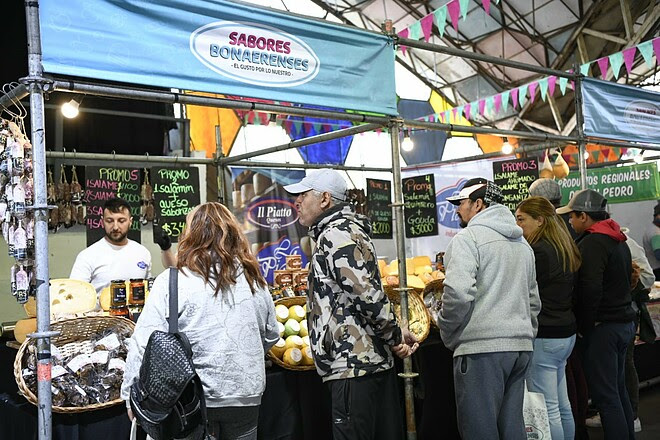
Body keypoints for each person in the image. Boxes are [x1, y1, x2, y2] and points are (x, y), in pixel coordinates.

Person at [121, 202, 279, 440]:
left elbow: (144, 342)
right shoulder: (255, 279)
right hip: (245, 397)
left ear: (190, 235)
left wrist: (129, 394)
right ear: (235, 234)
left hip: (189, 400)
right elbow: (270, 335)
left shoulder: (173, 280)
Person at [284, 169, 418, 440]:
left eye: (302, 195)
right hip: (361, 364)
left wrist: (393, 335)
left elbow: (366, 295)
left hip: (353, 367)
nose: (297, 201)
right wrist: (394, 330)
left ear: (324, 199)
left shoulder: (336, 235)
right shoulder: (340, 231)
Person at [440, 178, 540, 440]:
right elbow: (533, 302)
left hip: (481, 351)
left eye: (461, 203)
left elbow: (458, 293)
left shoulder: (467, 239)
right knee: (513, 428)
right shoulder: (523, 245)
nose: (457, 210)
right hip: (520, 349)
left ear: (478, 204)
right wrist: (525, 335)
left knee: (479, 431)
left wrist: (448, 333)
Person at [557, 189, 636, 440]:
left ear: (584, 216)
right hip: (624, 323)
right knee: (618, 391)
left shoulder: (593, 243)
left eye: (572, 217)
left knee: (606, 397)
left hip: (604, 328)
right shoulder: (617, 238)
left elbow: (590, 289)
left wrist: (584, 325)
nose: (570, 222)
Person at [516, 196, 581, 440]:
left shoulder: (538, 251)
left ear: (540, 220)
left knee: (547, 407)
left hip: (546, 334)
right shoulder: (563, 246)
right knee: (561, 404)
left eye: (522, 219)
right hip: (565, 333)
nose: (517, 225)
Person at [586, 227, 654, 433]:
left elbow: (647, 277)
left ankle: (632, 417)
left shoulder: (624, 244)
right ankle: (627, 418)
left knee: (621, 374)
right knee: (616, 380)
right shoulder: (614, 244)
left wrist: (625, 290)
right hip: (622, 317)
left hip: (618, 318)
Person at [70, 198, 152, 299]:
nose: (115, 227)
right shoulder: (87, 256)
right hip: (100, 314)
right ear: (102, 221)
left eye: (121, 221)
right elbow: (75, 294)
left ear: (130, 222)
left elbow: (149, 290)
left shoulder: (143, 253)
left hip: (138, 313)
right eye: (110, 221)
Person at [642, 201, 660, 280]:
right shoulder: (655, 232)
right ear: (658, 216)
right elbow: (658, 254)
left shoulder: (652, 228)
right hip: (657, 270)